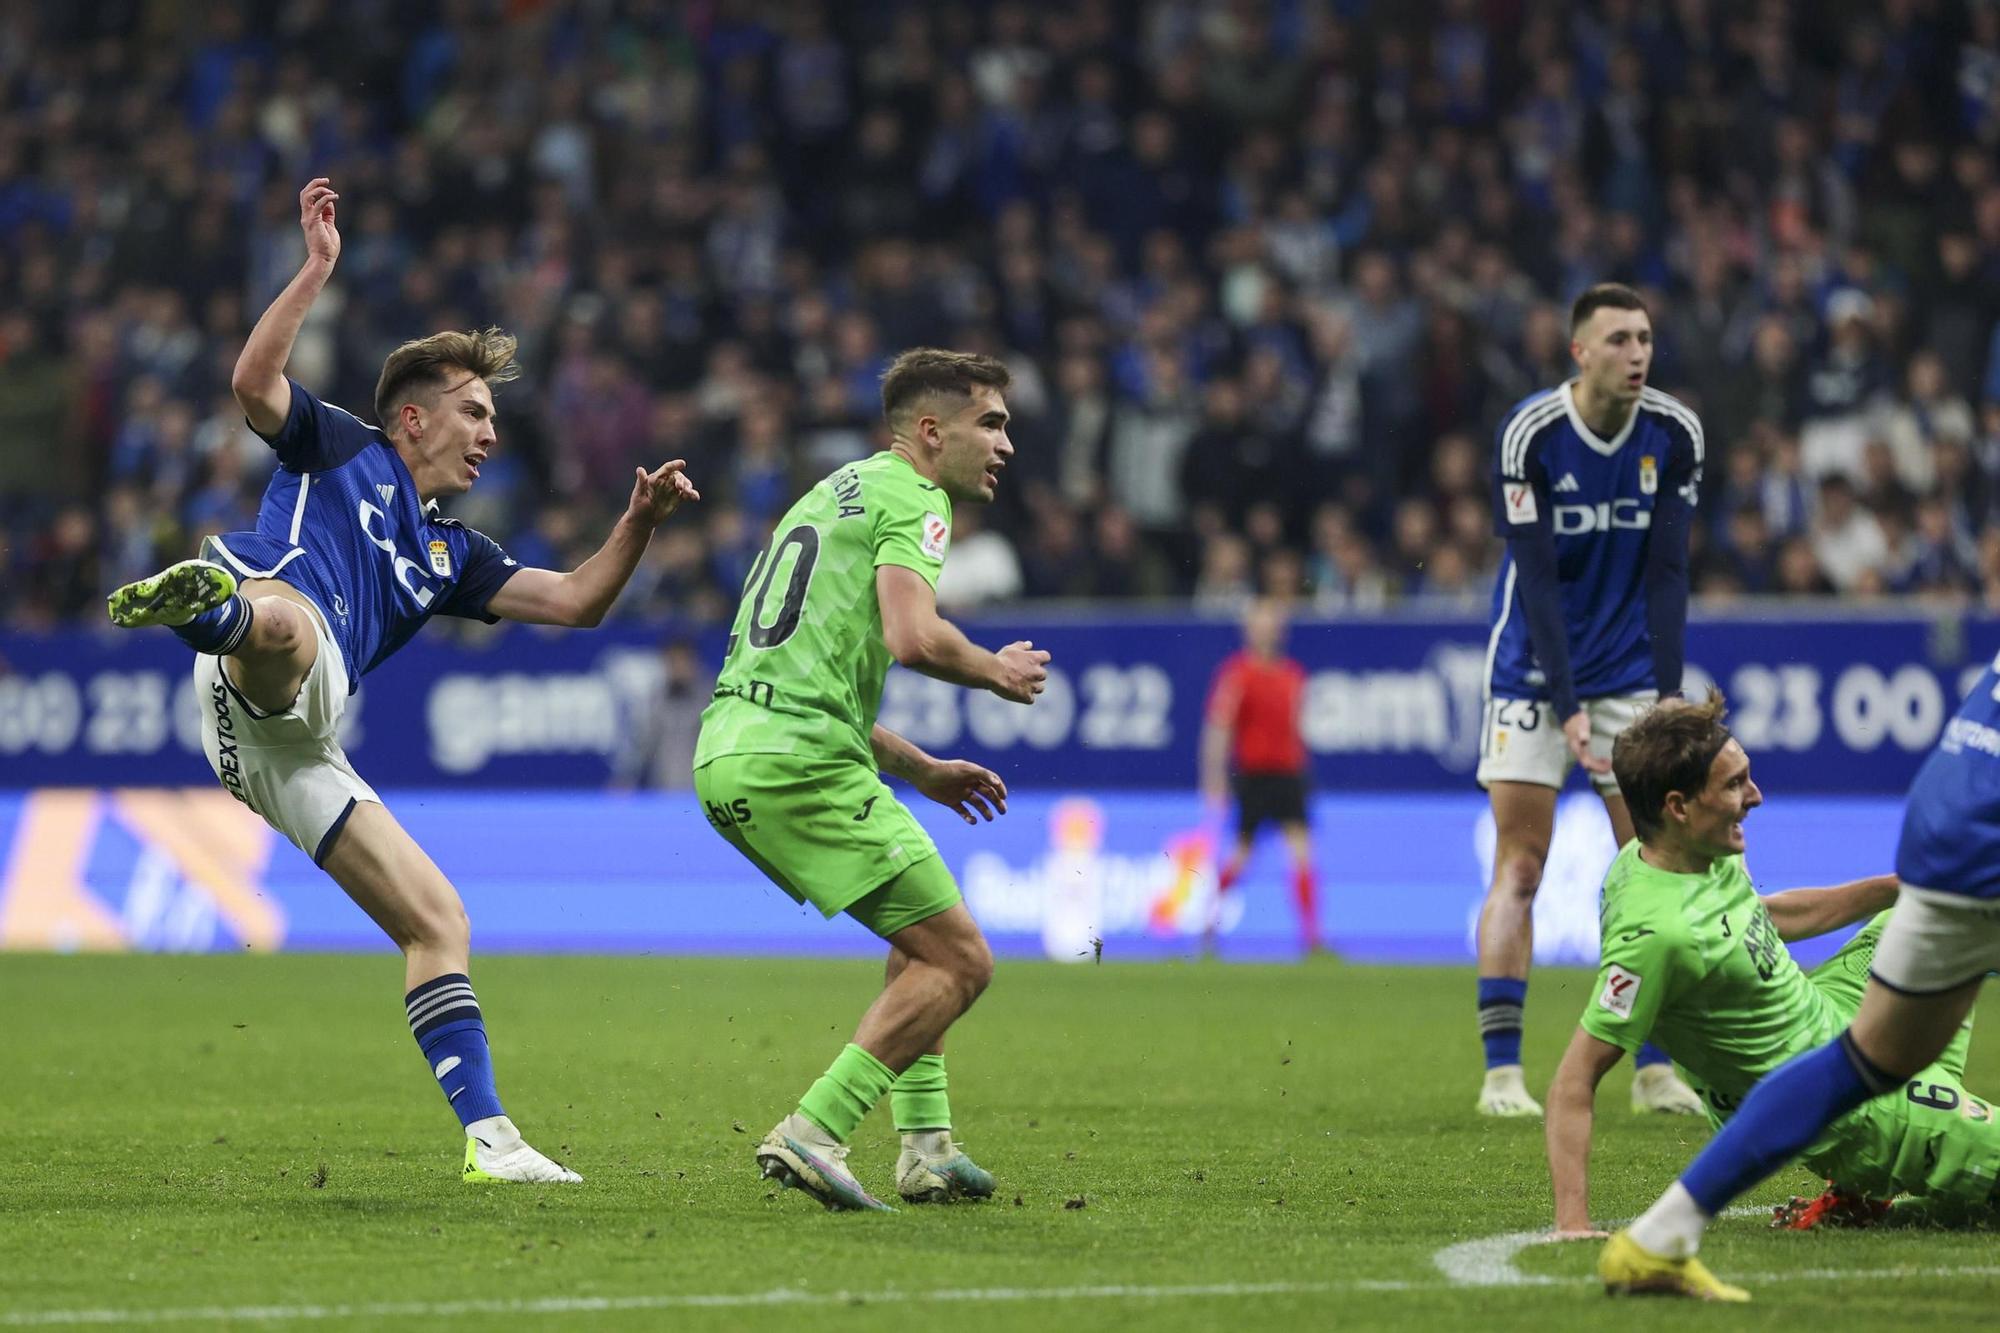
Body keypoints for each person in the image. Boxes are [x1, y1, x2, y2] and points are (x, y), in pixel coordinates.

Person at [104, 179, 699, 1184]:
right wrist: (316, 271)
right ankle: (212, 608)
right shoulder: (340, 442)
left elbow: (573, 603)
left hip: (283, 743)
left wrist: (637, 523)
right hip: (277, 652)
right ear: (414, 418)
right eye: (474, 411)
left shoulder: (453, 553)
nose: (490, 432)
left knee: (439, 919)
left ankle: (491, 1141)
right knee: (291, 628)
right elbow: (254, 381)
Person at [691, 348, 1048, 1211]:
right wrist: (994, 669)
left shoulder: (829, 494)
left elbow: (807, 667)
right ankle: (815, 1129)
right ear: (931, 432)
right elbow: (913, 636)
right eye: (990, 424)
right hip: (801, 760)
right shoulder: (917, 498)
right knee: (963, 960)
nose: (1005, 444)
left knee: (919, 934)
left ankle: (926, 1146)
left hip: (735, 751)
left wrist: (919, 765)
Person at [1600, 651, 2000, 1299]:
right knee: (1867, 1072)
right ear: (1679, 806)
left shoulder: (1681, 865)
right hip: (1980, 836)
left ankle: (1668, 1230)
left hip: (1945, 821)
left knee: (1869, 1057)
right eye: (1734, 785)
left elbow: (1767, 913)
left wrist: (1890, 886)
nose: (1754, 799)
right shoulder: (1661, 922)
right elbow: (1585, 1060)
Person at [1473, 282, 1707, 1119]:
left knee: (1654, 870)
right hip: (1533, 674)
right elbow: (1534, 578)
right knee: (1522, 866)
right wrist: (1566, 702)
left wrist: (1670, 702)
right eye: (1617, 339)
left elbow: (1669, 573)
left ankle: (1656, 1068)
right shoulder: (1531, 434)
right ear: (1580, 352)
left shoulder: (1674, 434)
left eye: (1644, 336)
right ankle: (1503, 1071)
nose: (1636, 352)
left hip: (1633, 679)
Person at [1199, 597, 1322, 954]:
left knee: (1302, 853)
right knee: (1241, 855)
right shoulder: (1236, 674)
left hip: (1288, 774)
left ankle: (1312, 937)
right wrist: (1214, 778)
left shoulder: (1293, 675)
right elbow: (1218, 728)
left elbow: (1297, 729)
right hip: (1254, 776)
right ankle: (1208, 922)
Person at [611, 635, 714, 790]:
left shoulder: (710, 698)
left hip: (701, 790)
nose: (678, 668)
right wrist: (626, 778)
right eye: (672, 662)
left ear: (693, 662)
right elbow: (643, 745)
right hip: (663, 791)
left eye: (682, 661)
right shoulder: (657, 699)